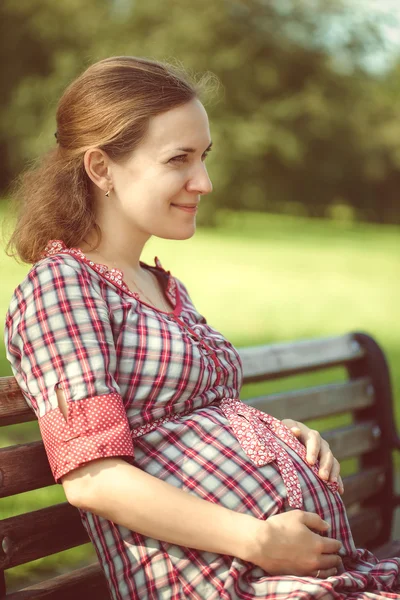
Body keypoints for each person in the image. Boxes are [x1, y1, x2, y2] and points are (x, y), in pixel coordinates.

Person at [4, 56, 400, 600]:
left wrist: (274, 435)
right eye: (179, 159)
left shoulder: (161, 285)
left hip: (297, 573)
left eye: (204, 157)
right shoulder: (64, 288)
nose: (205, 182)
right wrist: (258, 539)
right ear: (100, 169)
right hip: (226, 582)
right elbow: (93, 480)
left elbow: (190, 416)